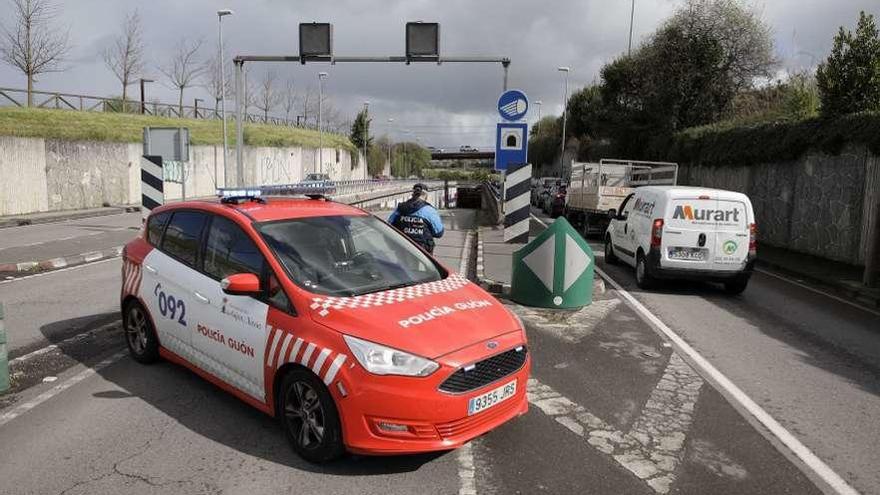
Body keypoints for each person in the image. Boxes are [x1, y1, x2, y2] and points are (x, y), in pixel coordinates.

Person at [388, 183, 444, 253]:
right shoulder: (430, 210)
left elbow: (389, 226)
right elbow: (439, 233)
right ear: (426, 195)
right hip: (422, 253)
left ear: (413, 194)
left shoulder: (400, 208)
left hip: (401, 249)